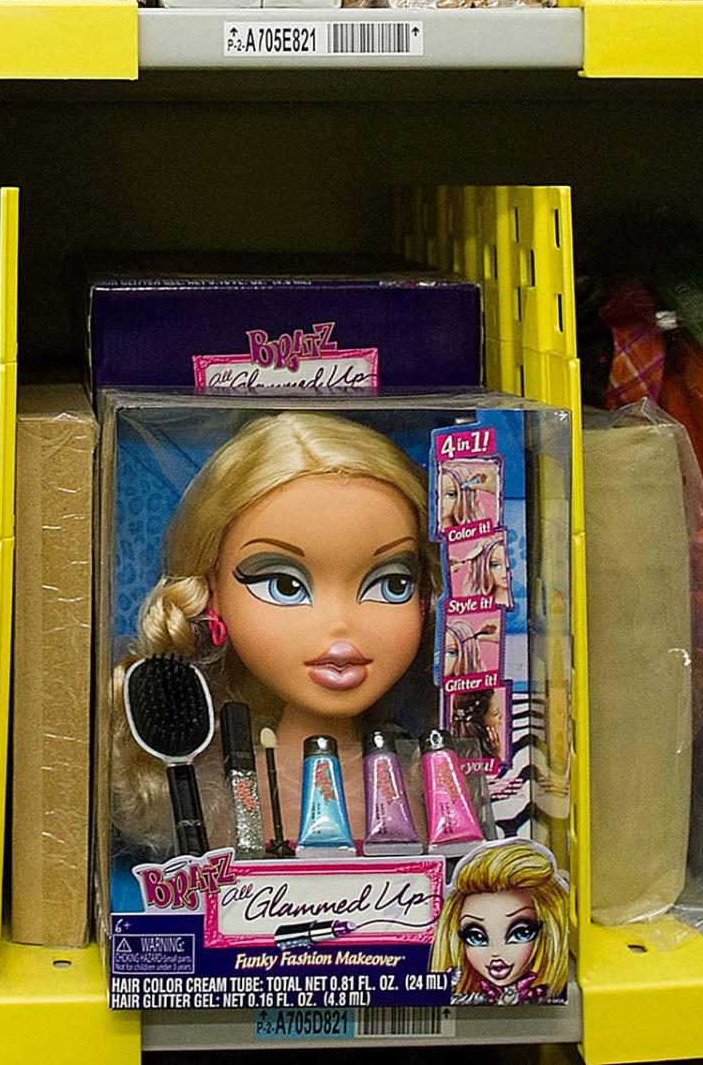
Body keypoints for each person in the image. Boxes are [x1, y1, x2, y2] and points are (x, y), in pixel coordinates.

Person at [110, 412, 437, 850]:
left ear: (425, 596)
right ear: (211, 594)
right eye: (284, 585)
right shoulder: (224, 802)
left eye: (391, 583)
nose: (340, 623)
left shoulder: (431, 791)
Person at [431, 840, 571, 1004]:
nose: (496, 954)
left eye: (520, 933)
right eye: (475, 937)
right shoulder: (458, 995)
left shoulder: (548, 995)